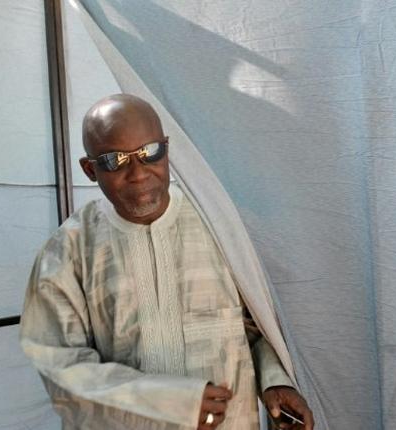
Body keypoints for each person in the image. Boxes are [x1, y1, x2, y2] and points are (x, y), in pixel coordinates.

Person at [20, 94, 314, 430]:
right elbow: (58, 366)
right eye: (116, 160)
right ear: (90, 169)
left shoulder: (220, 225)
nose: (138, 173)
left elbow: (254, 326)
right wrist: (170, 402)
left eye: (150, 153)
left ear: (167, 149)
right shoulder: (67, 252)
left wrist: (275, 381)